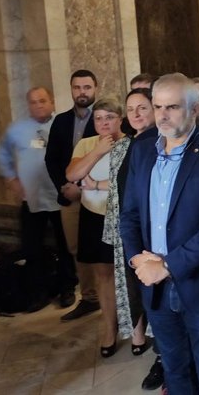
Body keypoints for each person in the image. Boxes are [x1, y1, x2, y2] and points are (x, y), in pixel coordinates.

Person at [120, 73, 199, 395]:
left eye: (172, 107)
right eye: (157, 106)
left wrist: (168, 265)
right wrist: (137, 261)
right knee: (173, 368)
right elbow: (129, 214)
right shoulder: (142, 151)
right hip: (154, 286)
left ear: (194, 108)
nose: (162, 115)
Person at [0, 86, 77, 311]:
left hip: (60, 196)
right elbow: (0, 153)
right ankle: (37, 293)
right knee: (32, 248)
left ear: (51, 102)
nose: (38, 105)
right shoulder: (17, 129)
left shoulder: (62, 125)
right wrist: (11, 179)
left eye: (42, 100)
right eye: (33, 102)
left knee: (66, 245)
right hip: (31, 198)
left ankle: (67, 287)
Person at [100, 88, 163, 381]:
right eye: (131, 109)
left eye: (143, 107)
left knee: (156, 295)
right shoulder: (128, 144)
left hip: (151, 232)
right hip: (130, 229)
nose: (137, 114)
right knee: (138, 291)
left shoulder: (158, 142)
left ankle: (165, 358)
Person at [66, 97, 126, 357]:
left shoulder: (130, 143)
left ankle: (136, 327)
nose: (104, 123)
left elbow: (128, 185)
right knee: (104, 275)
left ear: (120, 119)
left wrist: (98, 185)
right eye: (99, 118)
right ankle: (108, 327)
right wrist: (98, 151)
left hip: (122, 215)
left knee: (128, 276)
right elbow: (72, 175)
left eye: (109, 117)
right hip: (93, 215)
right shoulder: (87, 143)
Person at [45, 69, 100, 321]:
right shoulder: (61, 121)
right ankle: (89, 297)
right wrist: (63, 186)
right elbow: (52, 159)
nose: (82, 92)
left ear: (95, 89)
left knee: (101, 248)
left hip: (98, 194)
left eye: (87, 87)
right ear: (71, 90)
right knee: (76, 248)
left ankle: (107, 293)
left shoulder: (103, 118)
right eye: (77, 88)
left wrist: (82, 184)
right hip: (69, 195)